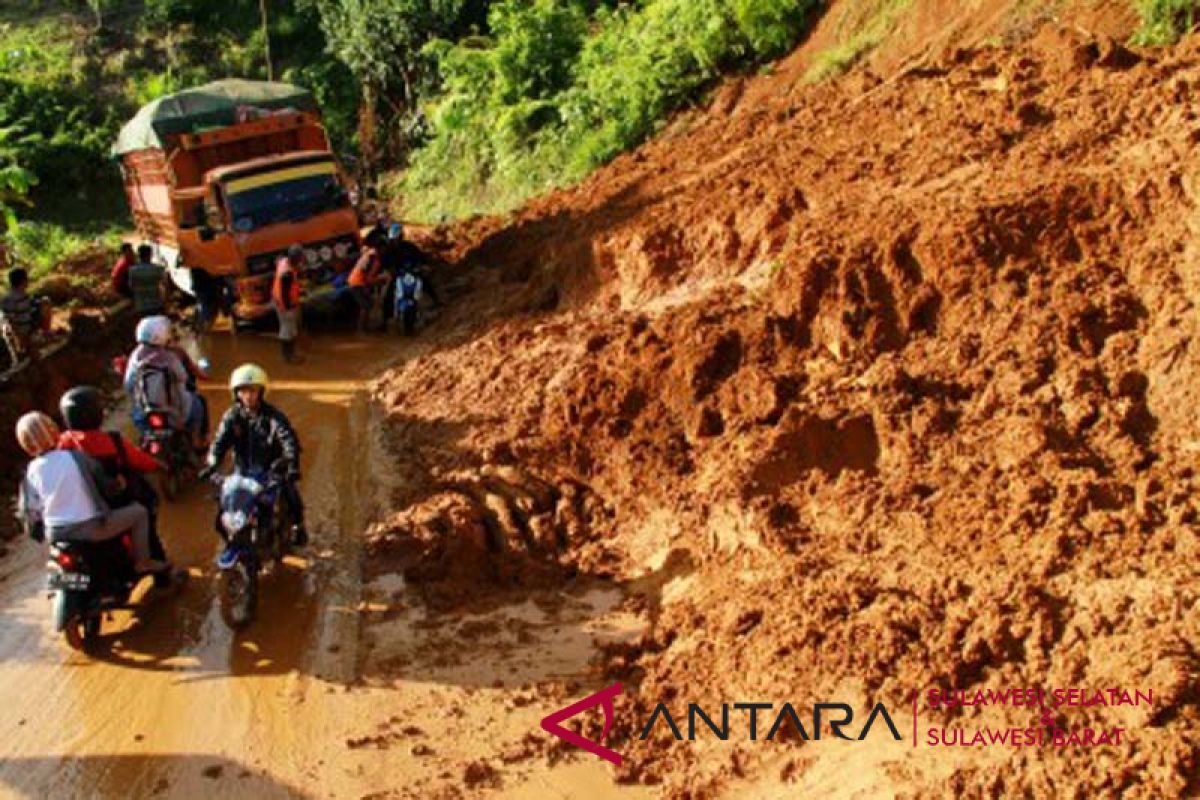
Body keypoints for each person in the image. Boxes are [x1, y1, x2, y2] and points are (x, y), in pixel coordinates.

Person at [15, 411, 166, 574]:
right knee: (140, 513)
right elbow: (106, 485)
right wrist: (119, 485)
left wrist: (40, 531)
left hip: (56, 535)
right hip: (90, 528)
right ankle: (143, 562)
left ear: (25, 445)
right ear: (53, 429)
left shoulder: (30, 472)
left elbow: (29, 511)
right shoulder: (77, 457)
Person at [57, 386, 171, 569]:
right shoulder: (111, 441)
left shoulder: (63, 444)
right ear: (95, 414)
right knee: (145, 511)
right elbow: (141, 461)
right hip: (114, 504)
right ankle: (153, 564)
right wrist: (160, 466)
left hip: (77, 514)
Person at [203, 364, 307, 546]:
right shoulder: (232, 417)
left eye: (253, 390)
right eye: (243, 391)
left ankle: (298, 526)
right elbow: (219, 442)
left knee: (290, 492)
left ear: (261, 391)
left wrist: (291, 464)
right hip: (242, 472)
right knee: (223, 510)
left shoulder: (274, 417)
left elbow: (288, 439)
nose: (248, 396)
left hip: (270, 471)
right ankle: (231, 540)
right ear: (236, 393)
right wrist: (212, 463)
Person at [123, 316, 208, 449]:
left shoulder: (134, 357)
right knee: (198, 403)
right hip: (174, 414)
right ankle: (196, 441)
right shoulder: (170, 357)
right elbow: (183, 377)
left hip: (144, 416)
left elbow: (128, 385)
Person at [381, 222, 442, 309]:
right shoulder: (388, 251)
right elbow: (385, 263)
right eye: (394, 240)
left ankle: (436, 300)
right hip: (397, 273)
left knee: (425, 281)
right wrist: (390, 271)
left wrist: (424, 265)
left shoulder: (408, 246)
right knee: (388, 293)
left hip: (411, 270)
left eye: (398, 238)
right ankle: (386, 317)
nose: (396, 241)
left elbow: (419, 256)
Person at [0, 267, 49, 368]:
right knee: (28, 359)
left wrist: (43, 303)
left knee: (45, 302)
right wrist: (19, 339)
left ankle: (45, 335)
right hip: (16, 333)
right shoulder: (9, 299)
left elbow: (30, 306)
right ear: (23, 281)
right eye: (27, 279)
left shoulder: (23, 294)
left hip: (27, 327)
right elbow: (10, 322)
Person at [348, 228, 388, 332]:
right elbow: (368, 277)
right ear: (381, 247)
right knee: (366, 306)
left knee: (368, 305)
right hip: (357, 282)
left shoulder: (370, 254)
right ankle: (362, 330)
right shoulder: (372, 257)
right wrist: (380, 280)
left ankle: (364, 328)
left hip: (357, 281)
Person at [272, 245, 303, 363]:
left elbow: (277, 259)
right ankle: (288, 356)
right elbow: (284, 294)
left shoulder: (283, 261)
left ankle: (291, 354)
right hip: (283, 304)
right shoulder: (287, 274)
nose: (301, 261)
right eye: (300, 258)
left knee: (290, 329)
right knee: (287, 330)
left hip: (279, 300)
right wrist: (288, 309)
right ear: (295, 259)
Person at [128, 244, 168, 319]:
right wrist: (165, 301)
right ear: (150, 254)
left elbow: (131, 287)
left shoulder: (132, 270)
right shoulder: (158, 269)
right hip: (156, 304)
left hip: (141, 306)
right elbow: (165, 286)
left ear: (139, 255)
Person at [393, 268, 423, 336]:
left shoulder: (399, 280)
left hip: (405, 300)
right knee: (415, 309)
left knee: (398, 307)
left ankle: (398, 318)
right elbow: (417, 295)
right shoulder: (417, 281)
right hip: (410, 300)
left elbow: (399, 295)